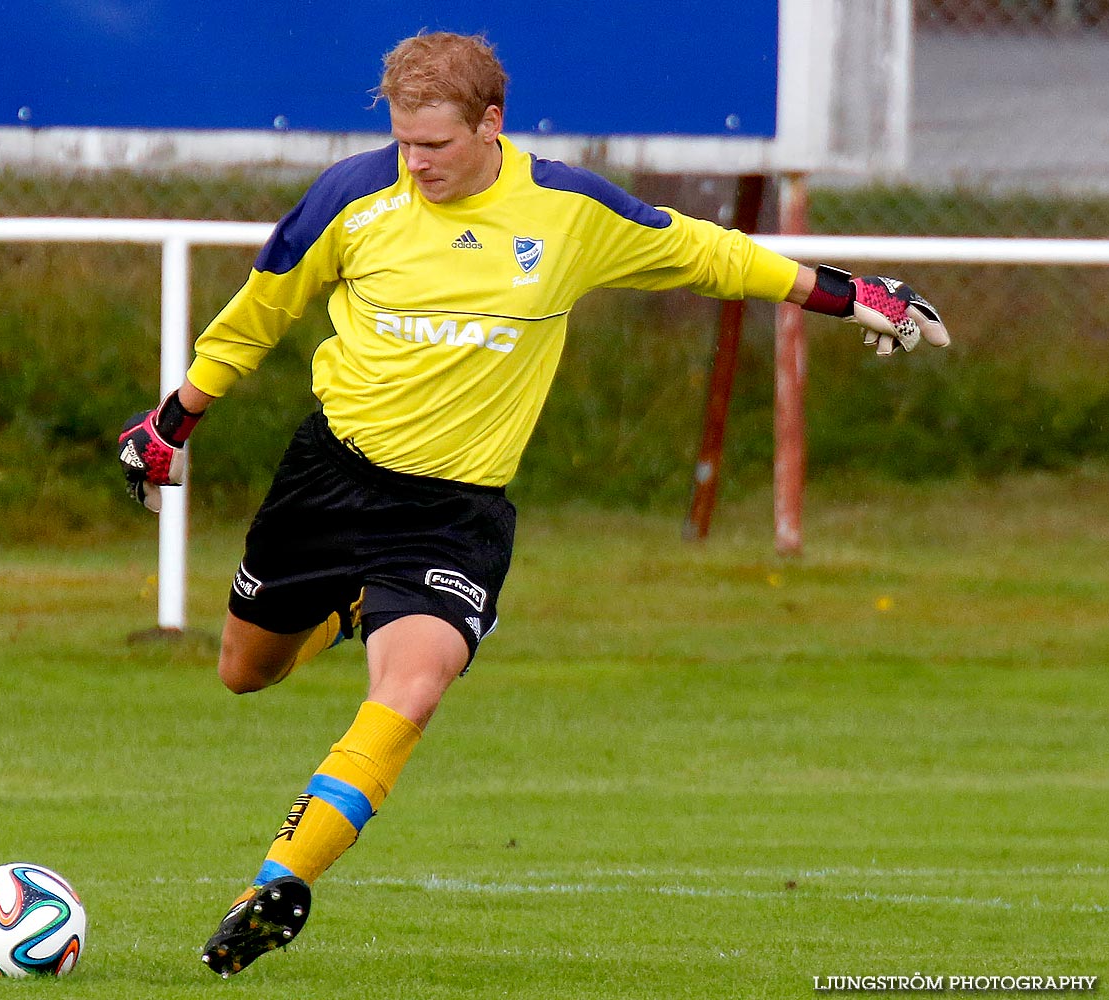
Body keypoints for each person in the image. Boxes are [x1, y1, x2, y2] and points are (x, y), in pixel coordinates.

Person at [117, 30, 950, 978]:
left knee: (413, 688)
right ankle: (353, 606)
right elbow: (254, 316)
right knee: (244, 672)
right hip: (329, 480)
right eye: (403, 143)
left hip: (453, 515)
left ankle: (269, 887)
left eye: (434, 145)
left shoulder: (566, 211)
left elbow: (709, 255)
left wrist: (846, 296)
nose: (416, 163)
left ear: (491, 123)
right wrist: (172, 421)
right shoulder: (352, 197)